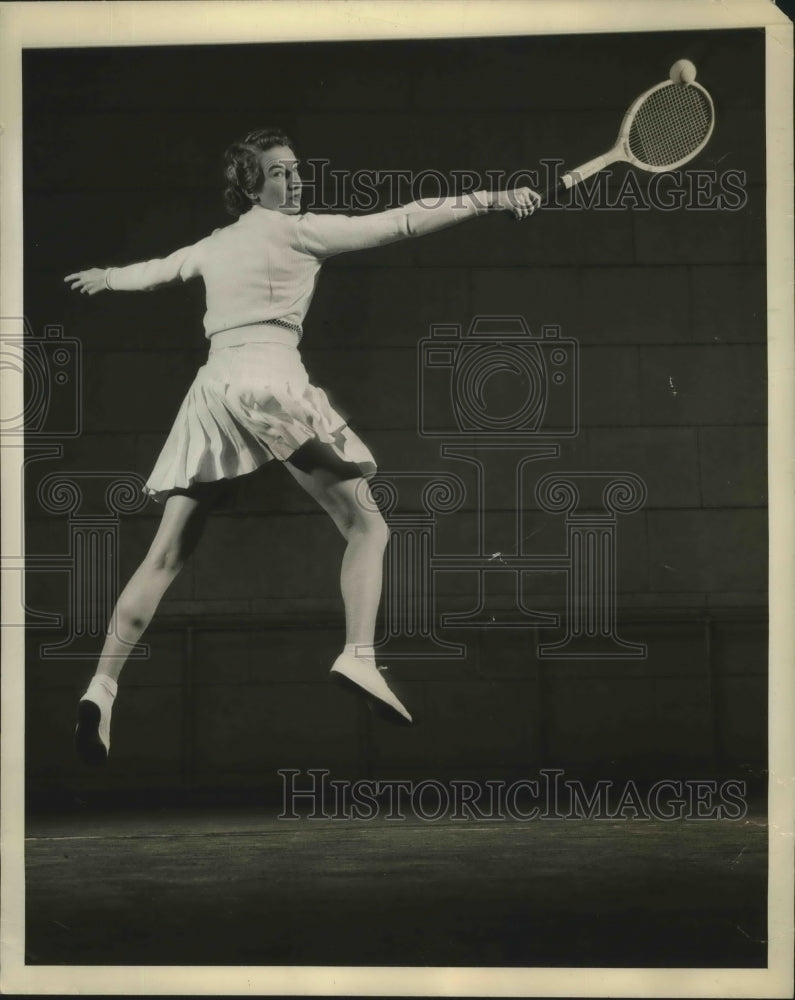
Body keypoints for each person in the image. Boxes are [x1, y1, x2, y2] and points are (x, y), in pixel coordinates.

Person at [65, 127, 540, 764]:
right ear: (250, 185)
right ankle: (358, 654)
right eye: (280, 172)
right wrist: (495, 197)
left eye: (295, 170)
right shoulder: (299, 231)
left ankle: (101, 687)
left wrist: (107, 276)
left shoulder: (213, 247)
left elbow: (155, 273)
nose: (295, 180)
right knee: (369, 528)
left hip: (214, 388)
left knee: (167, 554)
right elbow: (400, 222)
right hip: (267, 378)